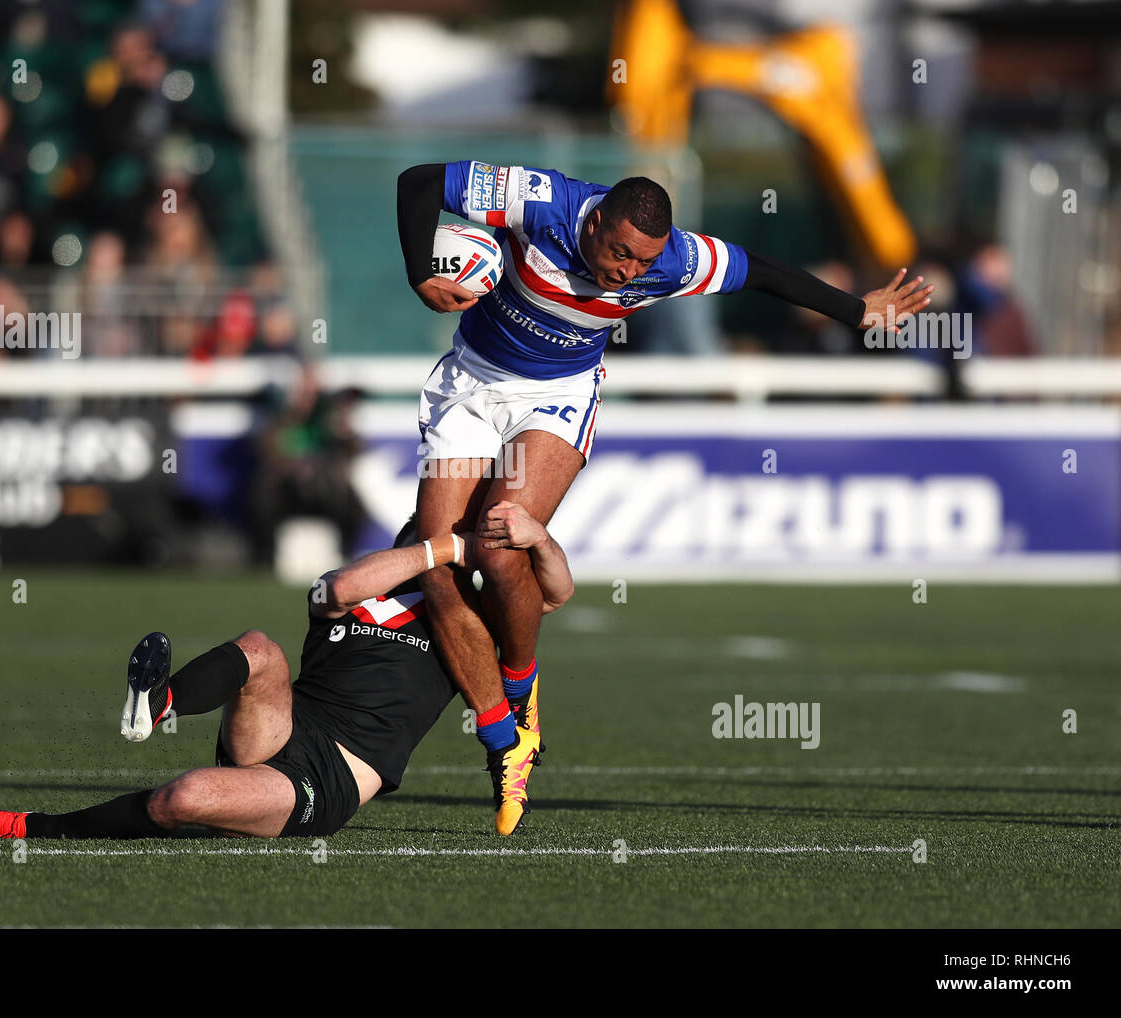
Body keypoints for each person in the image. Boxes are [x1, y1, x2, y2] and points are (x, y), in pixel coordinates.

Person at [395, 160, 935, 830]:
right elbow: (420, 182)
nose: (627, 272)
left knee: (503, 550)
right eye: (618, 253)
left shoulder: (675, 262)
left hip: (556, 398)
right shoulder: (537, 202)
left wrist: (859, 310)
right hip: (471, 384)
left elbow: (764, 270)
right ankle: (505, 740)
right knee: (439, 568)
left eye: (640, 260)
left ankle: (520, 687)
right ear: (592, 222)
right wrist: (422, 269)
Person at [0, 503, 573, 841]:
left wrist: (535, 538)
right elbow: (344, 584)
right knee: (260, 649)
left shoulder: (470, 620)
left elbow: (554, 593)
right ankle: (159, 703)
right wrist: (441, 546)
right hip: (282, 728)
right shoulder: (360, 588)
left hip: (332, 779)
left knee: (180, 799)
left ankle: (27, 825)